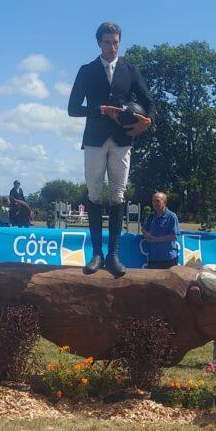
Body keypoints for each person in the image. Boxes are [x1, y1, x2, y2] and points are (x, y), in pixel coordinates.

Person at [67, 21, 155, 276]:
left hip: (123, 140)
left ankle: (113, 255)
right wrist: (100, 110)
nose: (112, 46)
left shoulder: (130, 69)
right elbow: (73, 108)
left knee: (118, 195)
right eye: (107, 42)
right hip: (94, 139)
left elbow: (149, 103)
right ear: (99, 43)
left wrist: (146, 123)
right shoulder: (86, 70)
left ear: (120, 42)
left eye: (116, 42)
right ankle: (96, 254)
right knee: (94, 194)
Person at [142, 191, 180, 269]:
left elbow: (174, 236)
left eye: (158, 201)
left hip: (168, 259)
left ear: (165, 202)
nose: (155, 203)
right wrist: (147, 236)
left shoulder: (172, 216)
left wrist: (155, 239)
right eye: (153, 201)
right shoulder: (151, 216)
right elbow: (143, 229)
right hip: (153, 258)